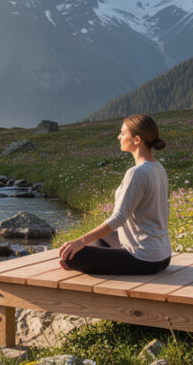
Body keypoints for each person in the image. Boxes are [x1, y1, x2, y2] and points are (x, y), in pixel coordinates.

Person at [58, 114, 171, 275]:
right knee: (99, 238)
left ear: (137, 140)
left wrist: (80, 241)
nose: (119, 137)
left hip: (144, 259)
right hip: (163, 256)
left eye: (123, 133)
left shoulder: (137, 173)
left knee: (71, 257)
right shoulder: (158, 168)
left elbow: (118, 218)